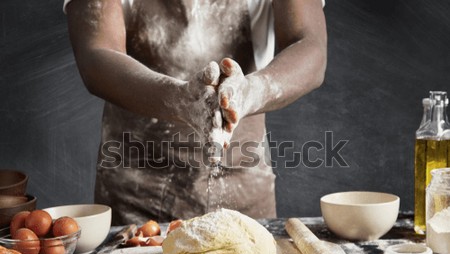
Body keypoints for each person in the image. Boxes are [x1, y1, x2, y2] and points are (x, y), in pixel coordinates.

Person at [64, 0, 327, 225]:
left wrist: (250, 93)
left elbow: (309, 45)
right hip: (136, 195)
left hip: (242, 189)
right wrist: (178, 99)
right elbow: (97, 54)